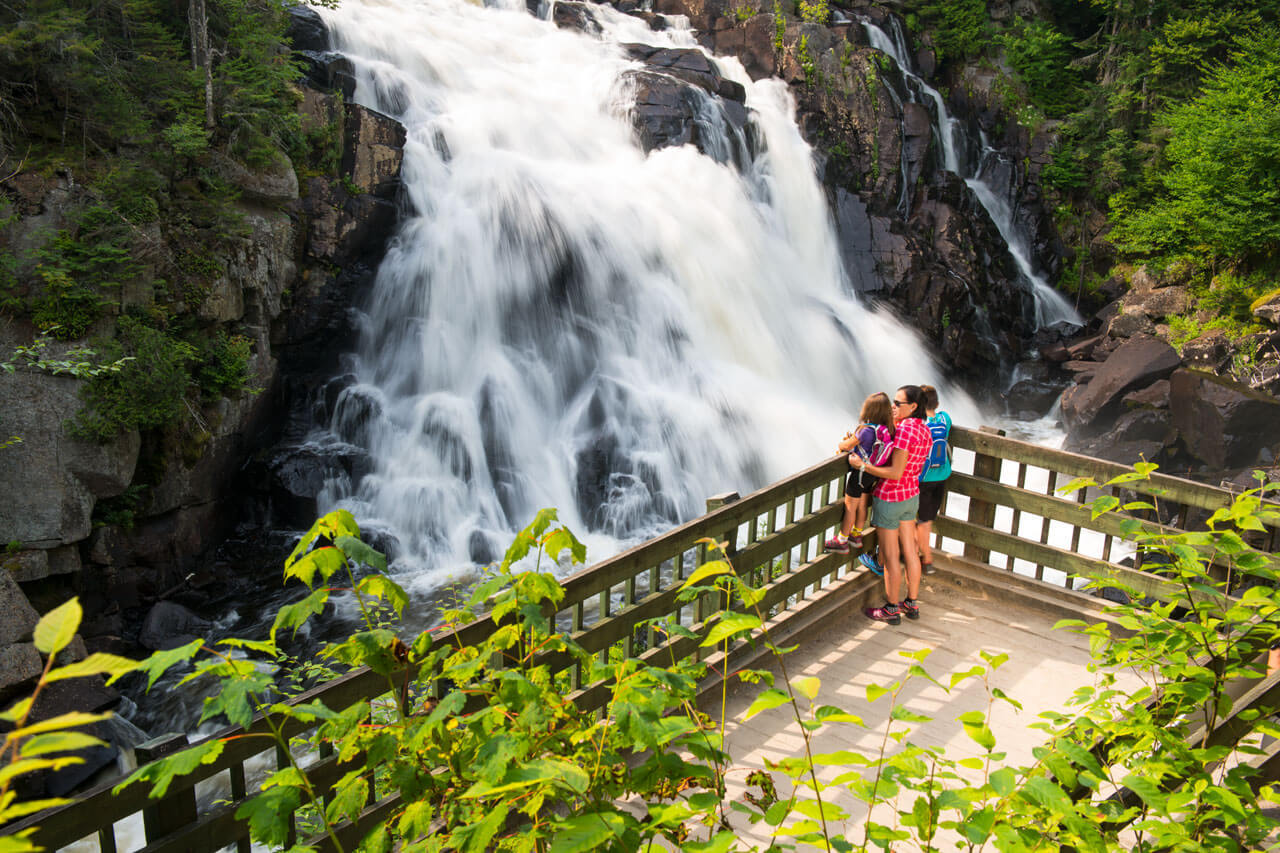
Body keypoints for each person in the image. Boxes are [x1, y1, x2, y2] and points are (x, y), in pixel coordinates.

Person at [849, 385, 931, 625]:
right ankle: (911, 603)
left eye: (898, 404)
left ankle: (891, 608)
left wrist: (862, 466)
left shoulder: (904, 431)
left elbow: (895, 472)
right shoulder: (924, 430)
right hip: (911, 496)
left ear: (913, 407)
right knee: (911, 552)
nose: (892, 407)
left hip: (891, 498)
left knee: (892, 557)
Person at [824, 392, 894, 553]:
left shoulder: (865, 431)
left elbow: (845, 445)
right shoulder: (886, 430)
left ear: (869, 410)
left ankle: (841, 540)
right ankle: (856, 535)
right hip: (873, 473)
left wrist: (845, 440)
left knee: (850, 507)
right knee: (862, 504)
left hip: (860, 473)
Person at [915, 384, 952, 576]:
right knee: (926, 518)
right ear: (937, 403)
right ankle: (917, 552)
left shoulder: (921, 425)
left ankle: (926, 558)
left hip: (924, 478)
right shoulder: (944, 419)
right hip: (942, 476)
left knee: (922, 520)